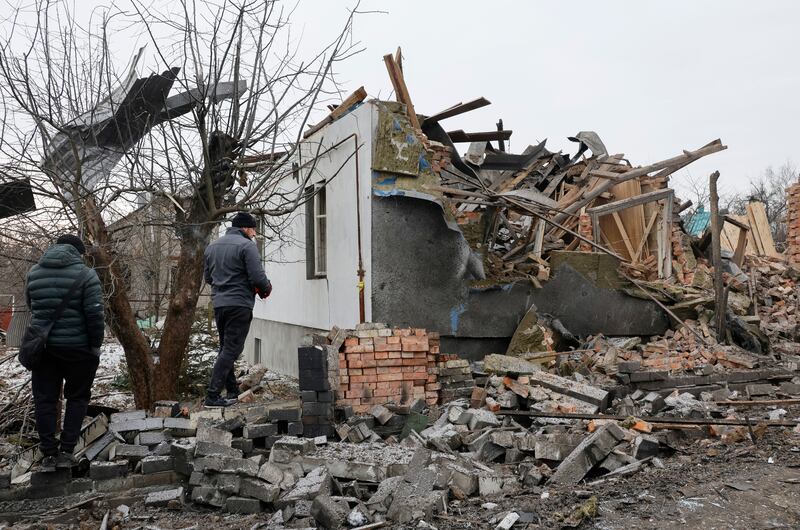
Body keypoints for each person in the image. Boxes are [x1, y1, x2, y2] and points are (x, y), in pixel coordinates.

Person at [26, 234, 104, 472]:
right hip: (78, 349)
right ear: (77, 253)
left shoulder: (34, 273)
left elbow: (32, 306)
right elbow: (94, 316)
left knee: (45, 400)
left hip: (44, 348)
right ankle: (67, 452)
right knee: (77, 398)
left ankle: (49, 453)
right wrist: (95, 345)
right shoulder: (86, 275)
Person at [204, 212, 271, 407]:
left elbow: (208, 278)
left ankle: (232, 390)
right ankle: (212, 395)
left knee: (226, 348)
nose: (254, 233)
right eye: (253, 229)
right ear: (246, 228)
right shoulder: (247, 246)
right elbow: (258, 278)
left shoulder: (212, 246)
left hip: (219, 304)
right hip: (239, 304)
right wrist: (266, 288)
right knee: (232, 349)